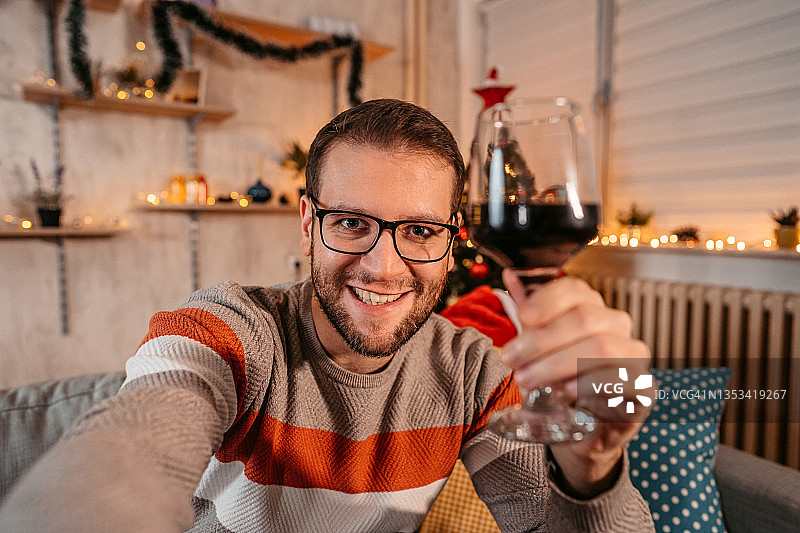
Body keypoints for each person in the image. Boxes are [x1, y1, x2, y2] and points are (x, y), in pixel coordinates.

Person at [0, 99, 654, 532]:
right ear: (309, 225)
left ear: (453, 238)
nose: (385, 267)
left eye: (421, 231)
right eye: (351, 223)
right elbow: (133, 446)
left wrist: (592, 467)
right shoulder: (231, 331)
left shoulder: (474, 369)